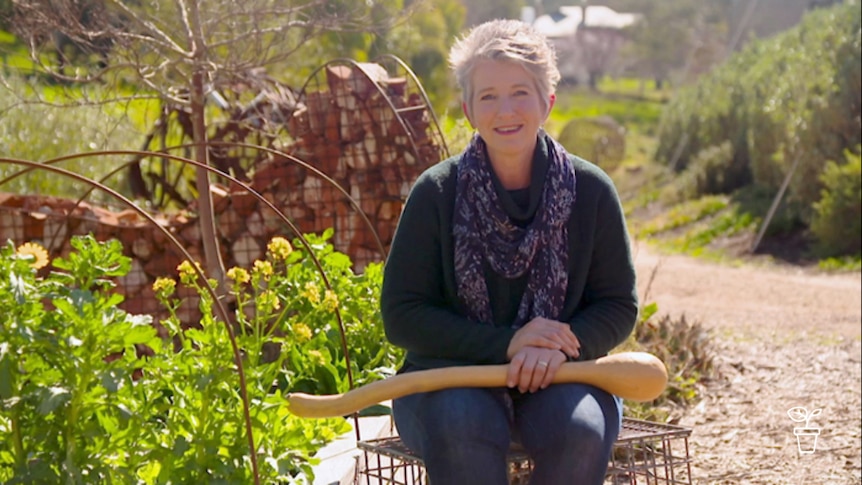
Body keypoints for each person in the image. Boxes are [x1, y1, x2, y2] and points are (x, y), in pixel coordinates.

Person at [380, 18, 638, 485]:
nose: (506, 110)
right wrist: (507, 343)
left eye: (521, 92)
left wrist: (556, 347)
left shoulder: (592, 191)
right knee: (463, 425)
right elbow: (402, 314)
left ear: (547, 101)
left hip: (561, 379)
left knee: (581, 430)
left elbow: (618, 304)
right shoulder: (436, 193)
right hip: (449, 382)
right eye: (488, 96)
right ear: (468, 108)